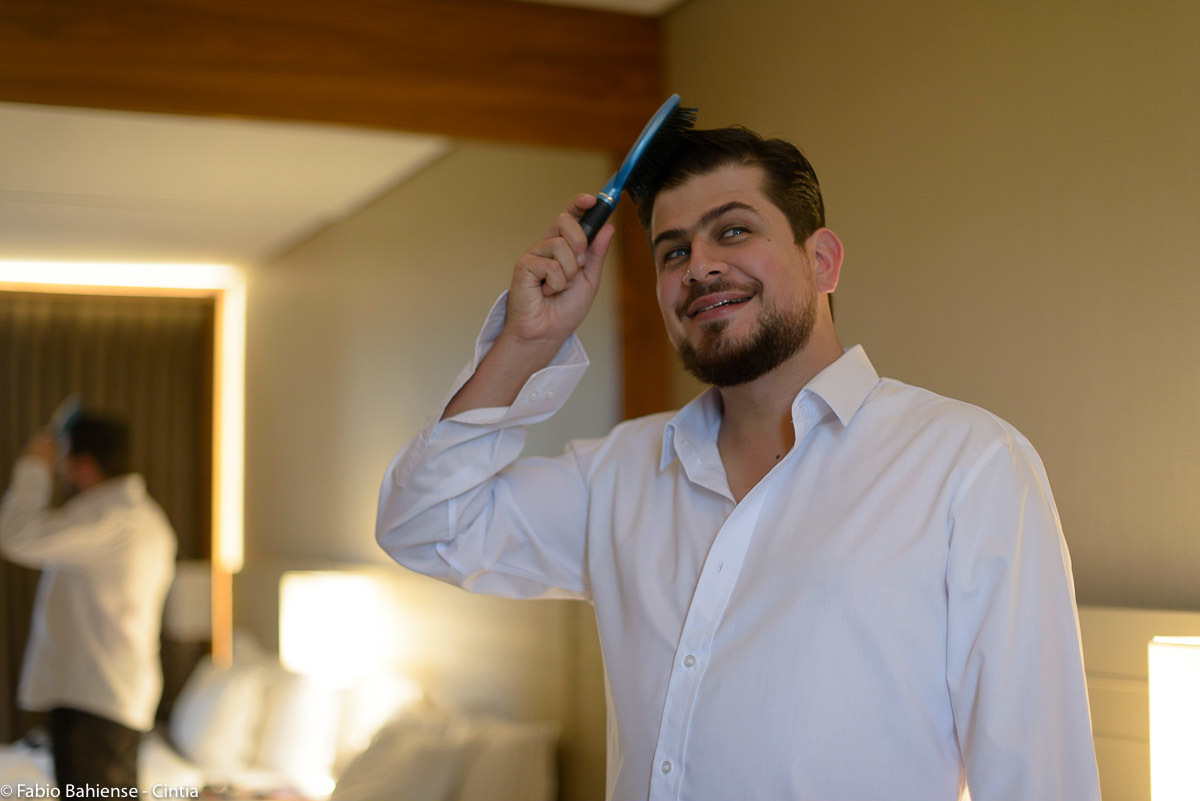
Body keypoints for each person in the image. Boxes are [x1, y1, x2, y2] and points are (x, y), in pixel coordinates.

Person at [375, 127, 1101, 801]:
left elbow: (1038, 776)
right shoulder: (619, 475)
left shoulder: (968, 466)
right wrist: (525, 345)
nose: (699, 266)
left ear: (823, 261)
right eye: (673, 252)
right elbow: (424, 525)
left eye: (733, 231)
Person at [0, 413, 176, 792]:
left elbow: (16, 535)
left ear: (85, 465)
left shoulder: (110, 519)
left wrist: (33, 467)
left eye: (64, 461)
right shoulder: (133, 516)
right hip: (102, 696)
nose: (60, 470)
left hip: (97, 701)